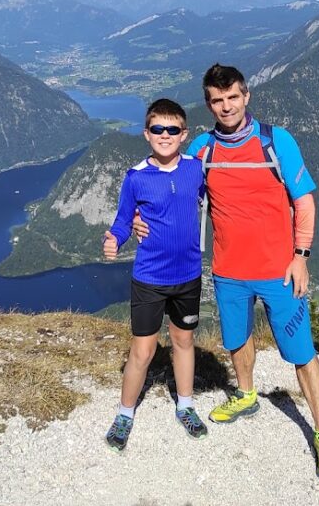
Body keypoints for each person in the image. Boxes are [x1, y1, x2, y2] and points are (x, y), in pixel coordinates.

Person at [134, 64, 319, 480]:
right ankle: (246, 394)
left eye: (233, 97)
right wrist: (138, 217)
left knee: (301, 354)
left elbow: (304, 203)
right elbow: (168, 179)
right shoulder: (202, 149)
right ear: (209, 104)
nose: (226, 106)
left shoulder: (274, 141)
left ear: (246, 97)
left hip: (280, 271)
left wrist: (301, 255)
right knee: (237, 340)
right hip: (228, 271)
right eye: (217, 99)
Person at [102, 98, 208, 452]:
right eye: (158, 129)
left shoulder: (196, 168)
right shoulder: (136, 177)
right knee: (143, 351)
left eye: (173, 129)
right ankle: (124, 413)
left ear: (184, 134)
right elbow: (123, 217)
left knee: (183, 342)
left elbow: (217, 200)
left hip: (189, 275)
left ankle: (186, 405)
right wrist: (117, 236)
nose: (166, 135)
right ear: (147, 134)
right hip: (149, 277)